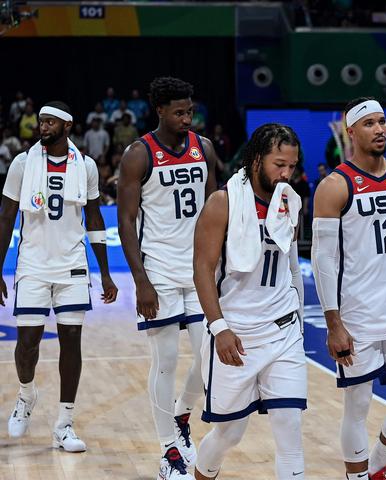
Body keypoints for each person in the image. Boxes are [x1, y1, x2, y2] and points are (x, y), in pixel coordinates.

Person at [312, 97, 386, 480]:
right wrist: (333, 323)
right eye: (369, 124)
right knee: (357, 406)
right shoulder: (334, 186)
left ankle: (376, 464)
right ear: (351, 132)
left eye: (382, 122)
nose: (379, 129)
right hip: (356, 316)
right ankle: (357, 476)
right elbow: (323, 260)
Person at [0, 101, 118, 452]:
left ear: (67, 126)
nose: (43, 127)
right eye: (41, 121)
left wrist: (106, 273)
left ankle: (64, 424)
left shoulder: (86, 166)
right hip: (33, 265)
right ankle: (26, 394)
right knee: (28, 344)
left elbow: (95, 219)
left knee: (71, 340)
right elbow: (6, 218)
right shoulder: (22, 164)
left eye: (50, 122)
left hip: (72, 265)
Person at [117, 77, 220, 480]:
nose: (185, 118)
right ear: (159, 110)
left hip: (198, 270)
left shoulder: (204, 148)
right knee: (166, 361)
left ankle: (182, 414)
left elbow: (217, 207)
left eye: (189, 111)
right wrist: (140, 280)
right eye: (178, 111)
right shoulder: (138, 154)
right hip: (158, 270)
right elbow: (125, 221)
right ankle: (168, 452)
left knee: (209, 356)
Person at [192, 124, 307, 480]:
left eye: (292, 166)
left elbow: (291, 265)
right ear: (257, 159)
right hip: (235, 332)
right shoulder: (222, 202)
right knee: (230, 433)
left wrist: (299, 316)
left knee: (289, 429)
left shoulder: (290, 200)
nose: (286, 174)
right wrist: (219, 327)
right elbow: (202, 269)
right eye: (279, 165)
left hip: (283, 329)